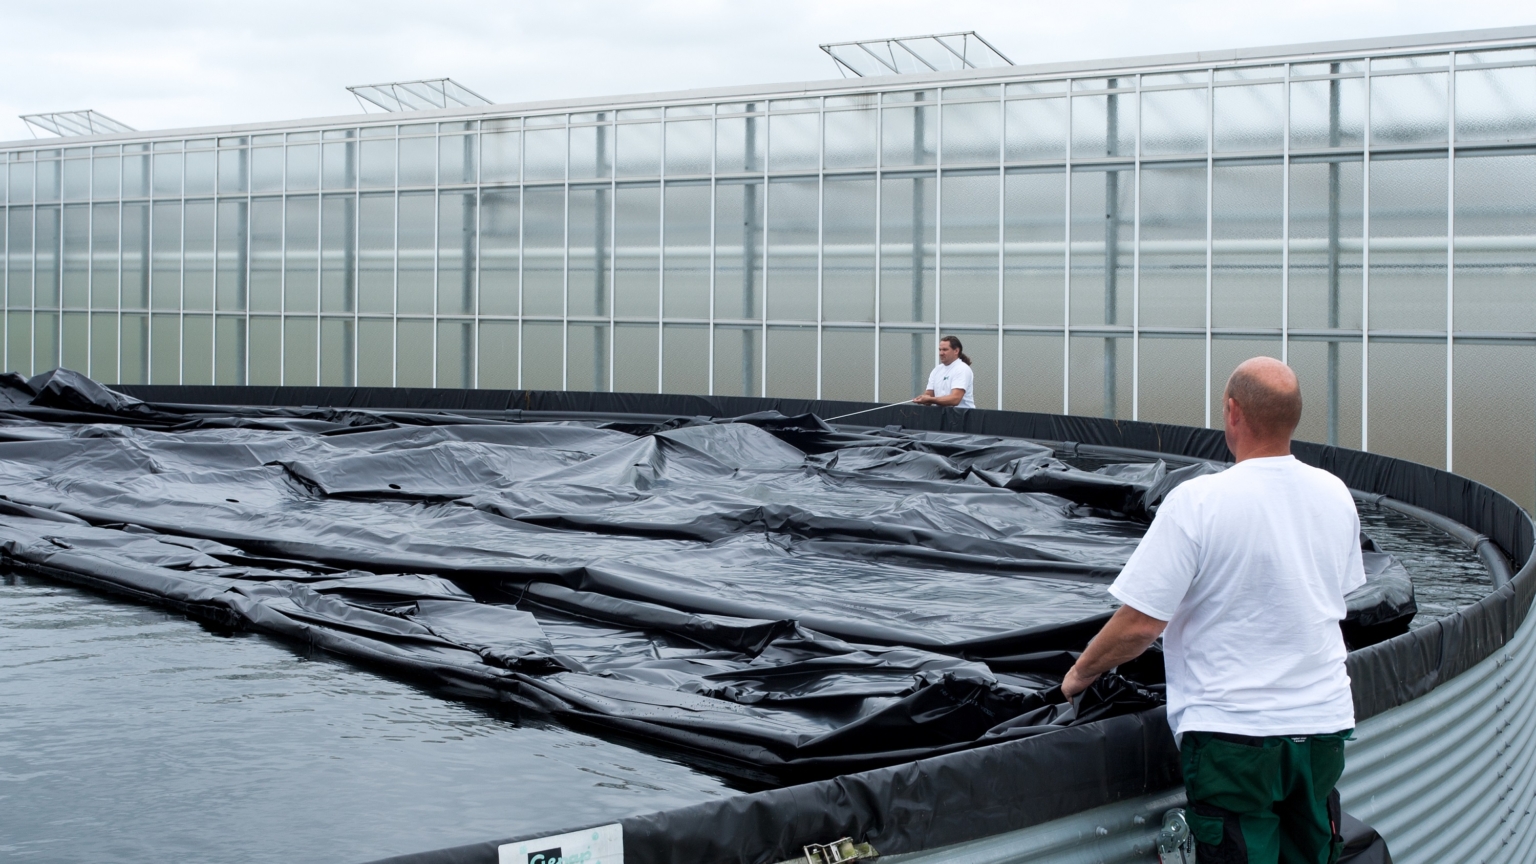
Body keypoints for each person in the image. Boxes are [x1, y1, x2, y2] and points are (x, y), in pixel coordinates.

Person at [1060, 357, 1364, 864]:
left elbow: (1139, 625)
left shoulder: (1199, 501)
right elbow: (1336, 598)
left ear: (1232, 411)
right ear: (1294, 418)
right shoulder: (1335, 494)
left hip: (1234, 738)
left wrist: (1078, 675)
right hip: (1323, 727)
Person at [912, 335, 975, 409]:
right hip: (941, 416)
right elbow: (929, 394)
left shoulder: (962, 369)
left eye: (945, 350)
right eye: (940, 349)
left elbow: (955, 399)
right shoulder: (937, 370)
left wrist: (930, 399)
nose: (941, 353)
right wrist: (923, 399)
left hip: (962, 417)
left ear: (956, 351)